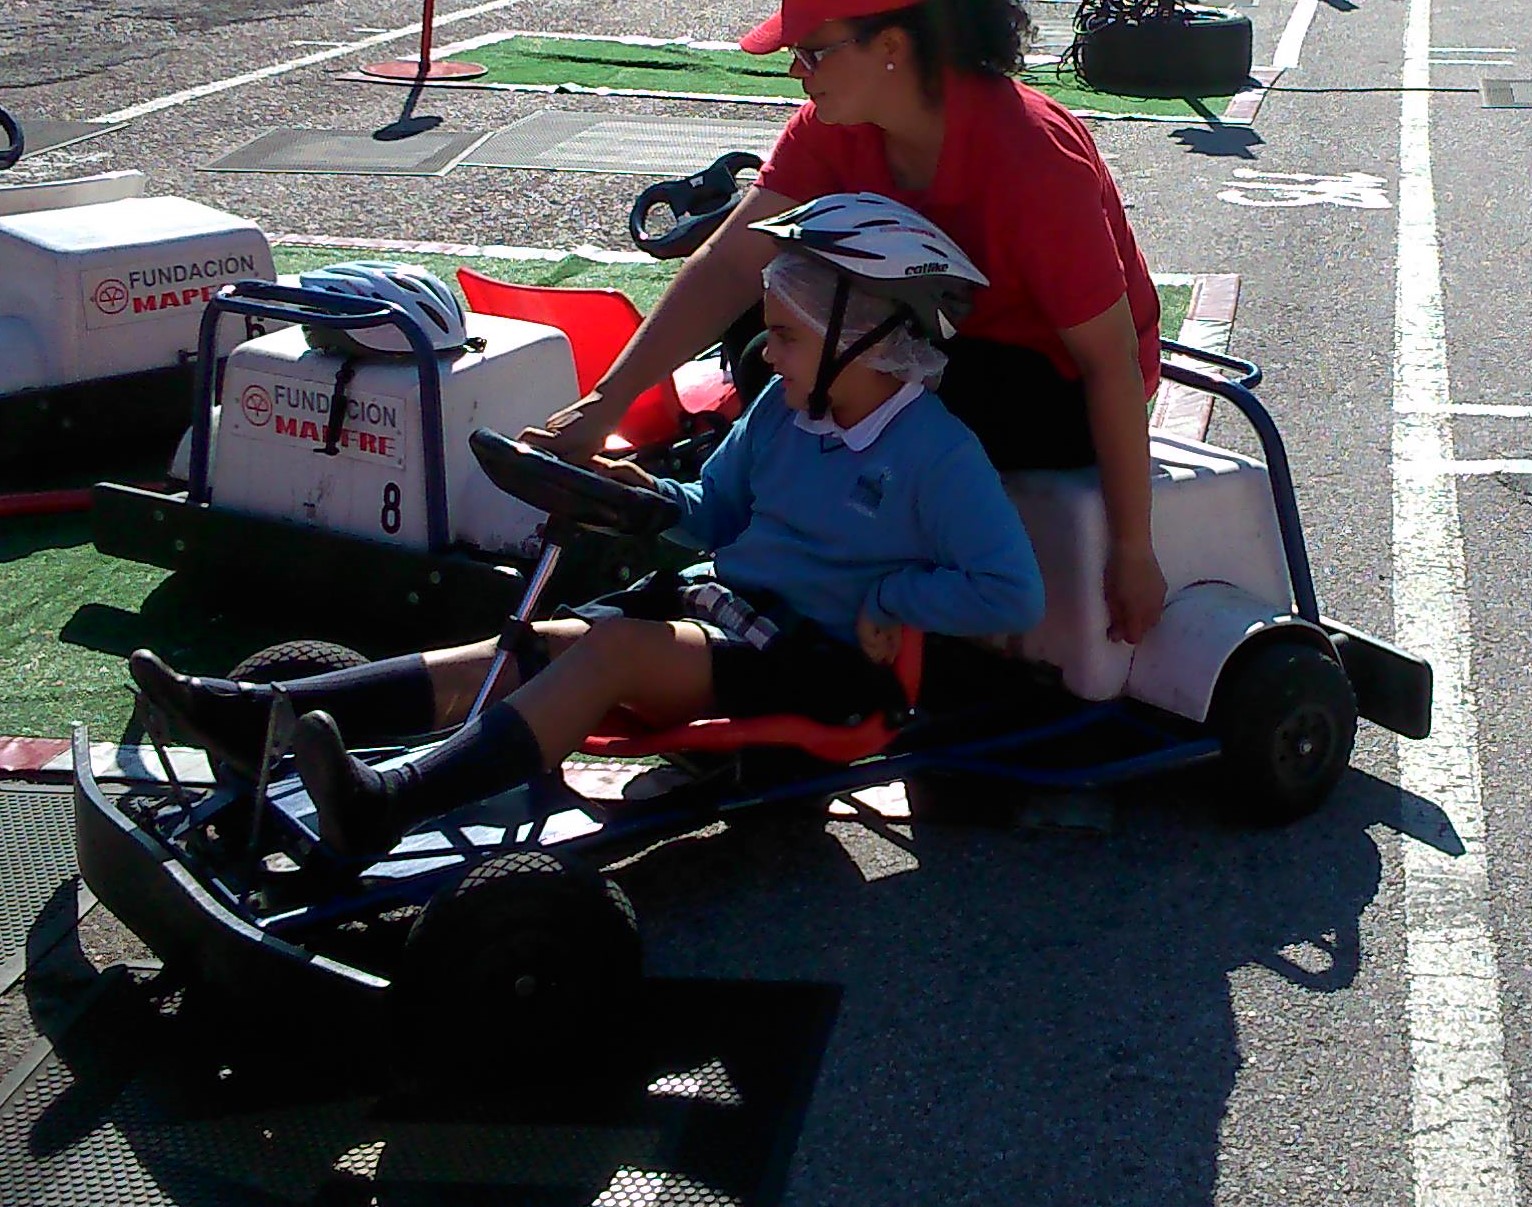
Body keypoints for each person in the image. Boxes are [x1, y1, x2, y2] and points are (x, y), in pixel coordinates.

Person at [129, 195, 1045, 858]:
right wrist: (645, 492)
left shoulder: (936, 452)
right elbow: (714, 514)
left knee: (604, 655)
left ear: (867, 336)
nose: (767, 354)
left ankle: (389, 802)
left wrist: (893, 597)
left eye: (787, 335)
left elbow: (1012, 590)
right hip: (726, 614)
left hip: (820, 662)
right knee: (527, 646)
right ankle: (264, 715)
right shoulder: (781, 411)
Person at [522, 0, 1165, 645]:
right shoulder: (835, 124)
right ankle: (752, 543)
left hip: (1050, 385)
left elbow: (1110, 361)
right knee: (767, 346)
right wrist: (605, 404)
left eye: (813, 53)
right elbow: (730, 262)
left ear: (892, 47)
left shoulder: (1031, 154)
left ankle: (834, 597)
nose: (796, 71)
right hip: (946, 340)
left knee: (846, 382)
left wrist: (1133, 549)